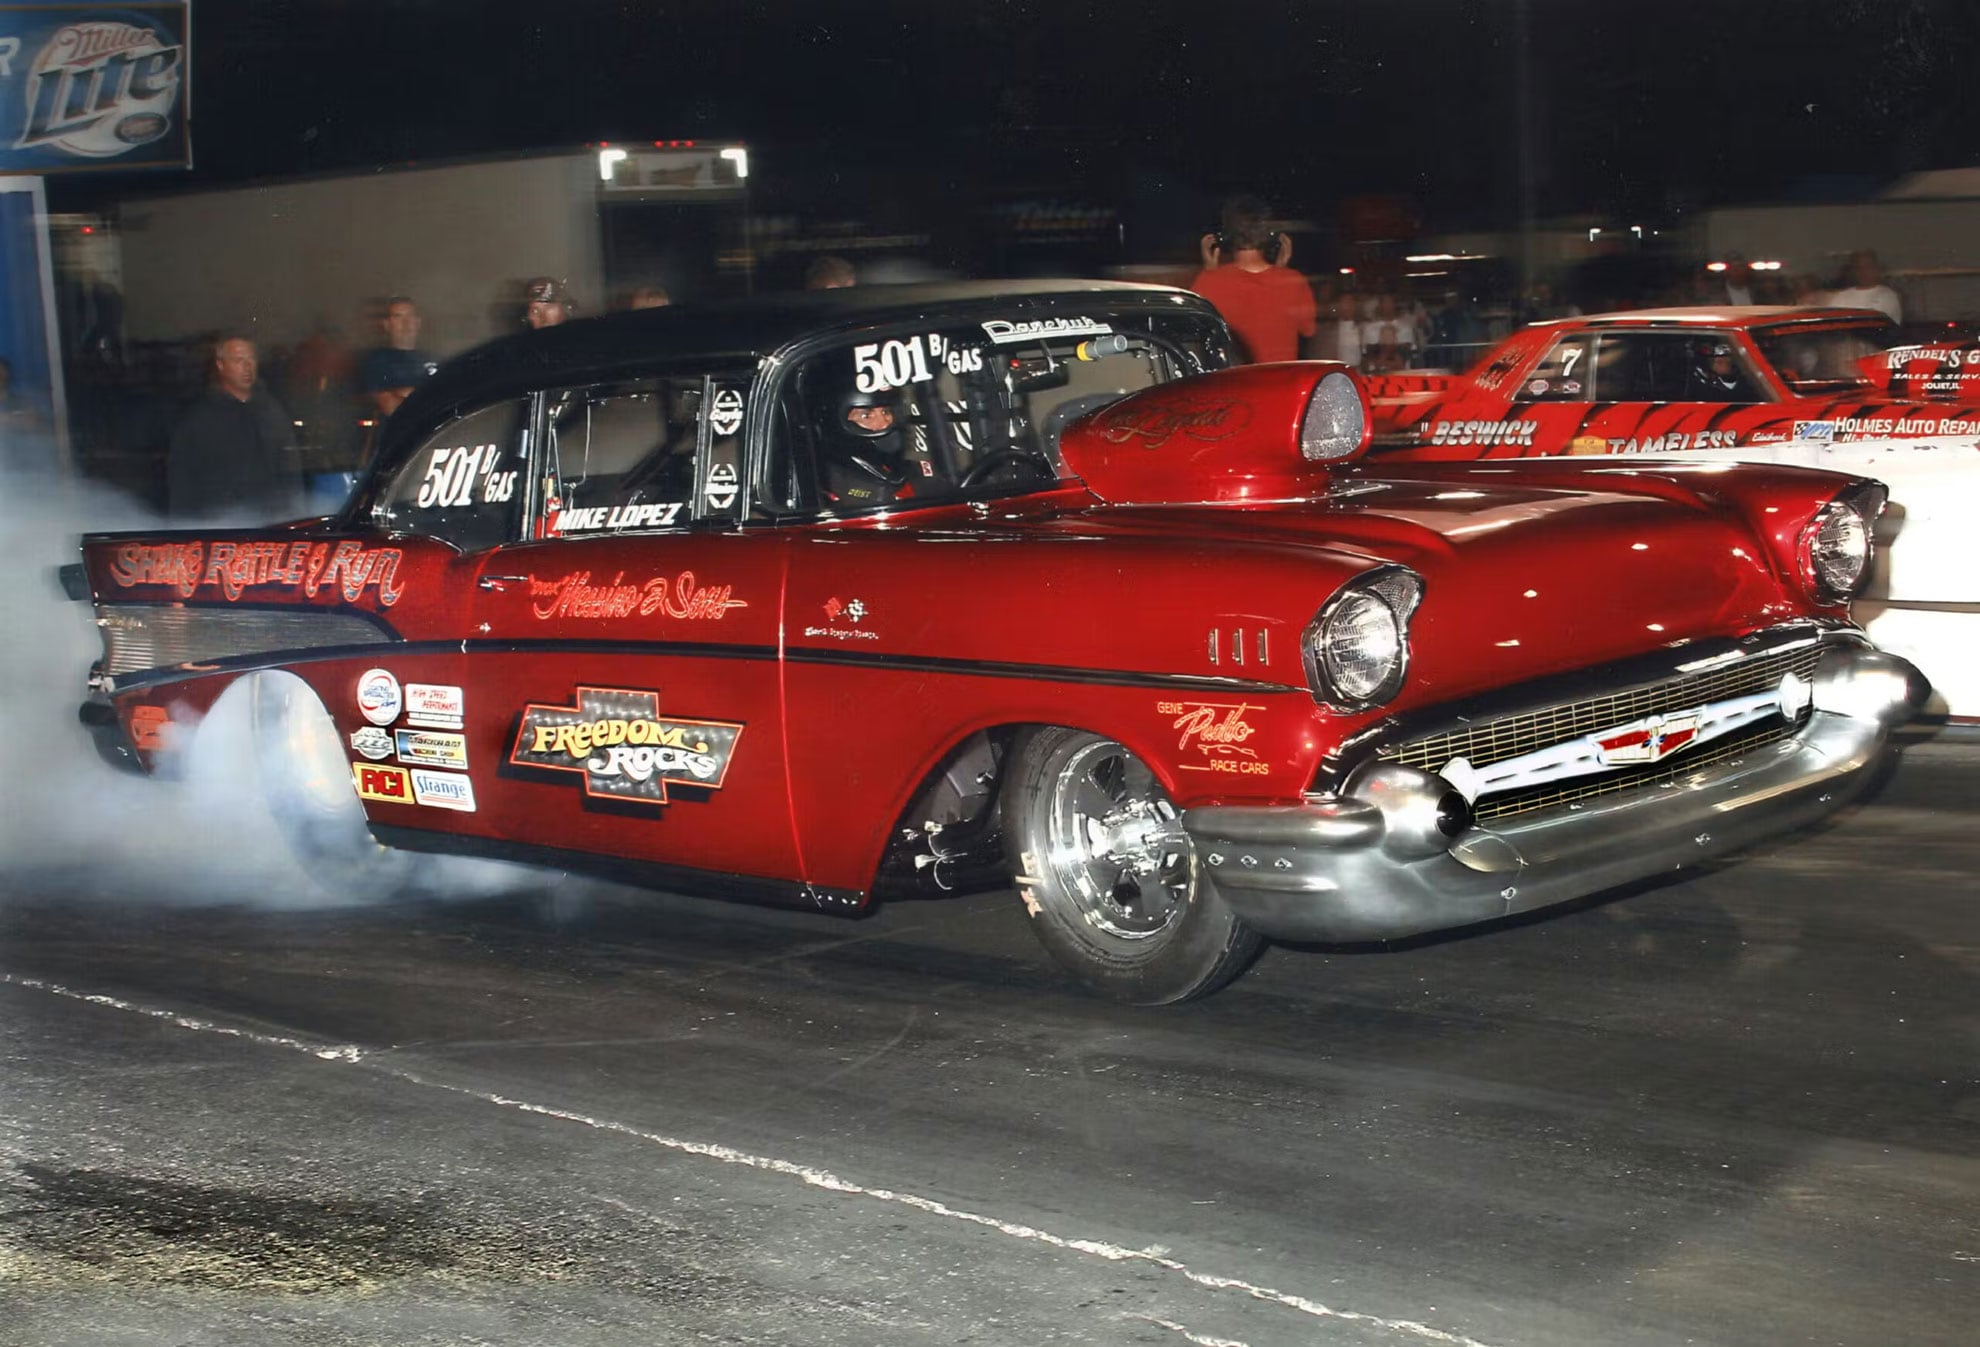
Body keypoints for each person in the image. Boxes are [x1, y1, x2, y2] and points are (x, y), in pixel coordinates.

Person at [166, 334, 303, 519]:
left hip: (272, 522)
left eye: (251, 359)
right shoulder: (200, 418)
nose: (247, 367)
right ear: (220, 365)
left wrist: (295, 511)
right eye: (239, 360)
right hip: (221, 524)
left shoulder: (271, 410)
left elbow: (289, 465)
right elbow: (182, 479)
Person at [1188, 196, 1316, 364]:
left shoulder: (1209, 281)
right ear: (1269, 236)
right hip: (1280, 385)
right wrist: (1282, 270)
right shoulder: (1293, 281)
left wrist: (1209, 272)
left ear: (1226, 236)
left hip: (1234, 385)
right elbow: (1308, 330)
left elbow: (1192, 330)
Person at [821, 386, 913, 506]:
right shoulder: (830, 486)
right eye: (866, 416)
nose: (884, 423)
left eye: (886, 412)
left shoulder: (912, 470)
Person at [355, 296, 437, 418]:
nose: (406, 323)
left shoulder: (434, 360)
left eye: (410, 316)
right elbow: (392, 408)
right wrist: (424, 397)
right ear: (386, 325)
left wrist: (406, 394)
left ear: (418, 322)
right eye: (398, 317)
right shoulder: (376, 362)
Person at [1826, 249, 1903, 322]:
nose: (1862, 271)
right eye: (1858, 267)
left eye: (1867, 266)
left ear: (1876, 268)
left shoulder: (1888, 296)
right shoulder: (1841, 296)